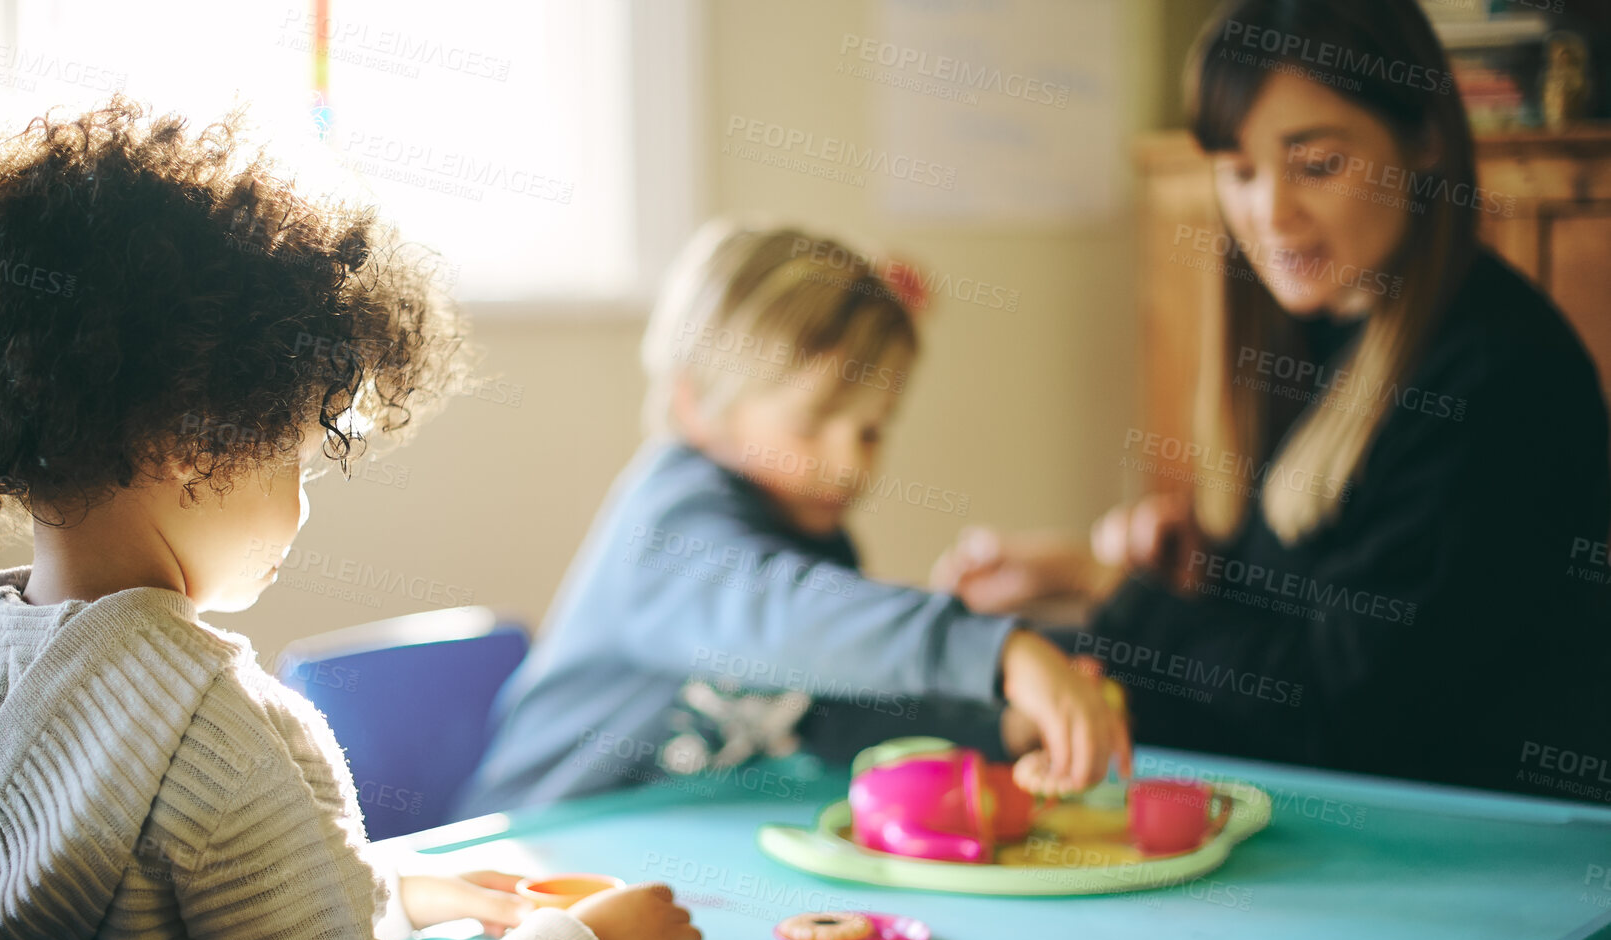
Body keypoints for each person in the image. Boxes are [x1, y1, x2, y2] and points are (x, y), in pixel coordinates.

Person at [0, 97, 700, 940]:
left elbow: (167, 927)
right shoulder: (227, 729)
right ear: (189, 438)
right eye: (293, 461)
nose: (301, 505)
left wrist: (388, 895)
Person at [933, 0, 1611, 796]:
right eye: (1239, 170)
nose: (1269, 214)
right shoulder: (1322, 327)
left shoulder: (1496, 378)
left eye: (1316, 164)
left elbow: (1342, 711)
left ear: (1424, 139)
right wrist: (1196, 571)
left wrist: (1114, 589)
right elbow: (1306, 614)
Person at [458, 220, 1131, 822]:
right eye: (810, 424)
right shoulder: (668, 531)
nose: (847, 464)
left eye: (871, 430)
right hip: (531, 854)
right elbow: (788, 612)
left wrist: (1002, 725)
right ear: (698, 404)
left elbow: (833, 711)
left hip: (669, 848)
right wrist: (995, 652)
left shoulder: (811, 538)